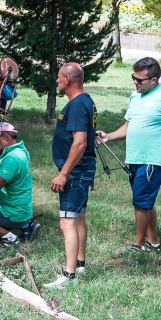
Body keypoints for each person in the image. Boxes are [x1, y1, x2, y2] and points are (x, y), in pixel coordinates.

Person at [97, 57, 161, 254]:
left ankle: (138, 246)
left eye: (140, 80)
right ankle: (153, 242)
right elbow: (130, 125)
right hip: (135, 158)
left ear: (154, 80)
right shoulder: (135, 96)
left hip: (152, 158)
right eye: (134, 78)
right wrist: (109, 136)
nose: (135, 83)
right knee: (146, 202)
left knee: (140, 203)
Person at [44, 62, 97, 290]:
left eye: (58, 77)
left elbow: (80, 142)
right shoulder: (86, 101)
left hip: (75, 171)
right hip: (83, 169)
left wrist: (63, 173)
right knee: (79, 217)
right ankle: (80, 263)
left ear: (67, 79)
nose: (56, 81)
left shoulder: (76, 105)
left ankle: (68, 275)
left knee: (67, 221)